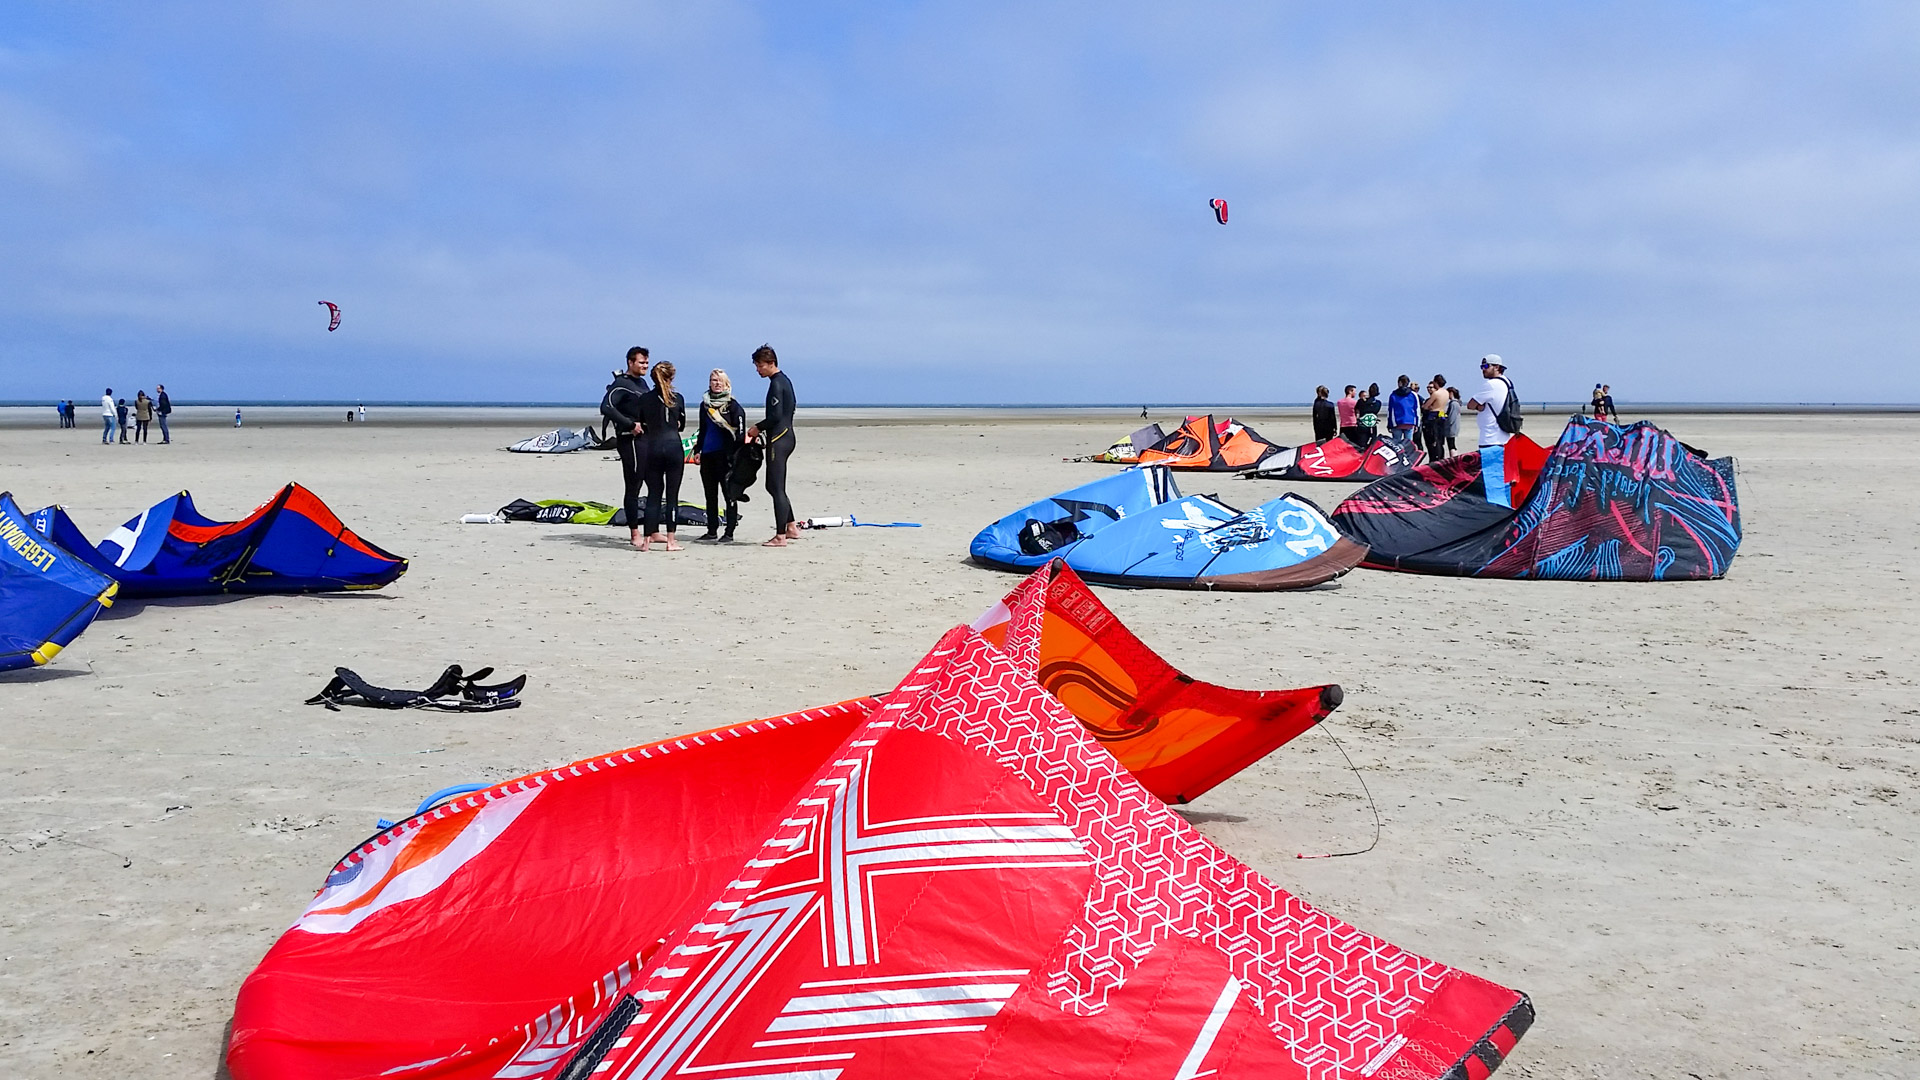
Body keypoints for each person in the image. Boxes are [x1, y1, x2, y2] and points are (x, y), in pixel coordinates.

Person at [600, 346, 652, 551]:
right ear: (630, 363)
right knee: (634, 484)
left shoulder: (643, 383)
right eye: (641, 363)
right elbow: (606, 407)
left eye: (647, 363)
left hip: (645, 440)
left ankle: (652, 530)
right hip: (628, 440)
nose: (645, 366)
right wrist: (630, 424)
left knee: (654, 482)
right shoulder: (621, 383)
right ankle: (634, 532)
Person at [745, 344, 797, 547]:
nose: (758, 370)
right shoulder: (784, 381)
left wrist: (757, 428)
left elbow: (775, 416)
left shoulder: (777, 383)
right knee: (772, 486)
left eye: (760, 366)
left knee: (776, 487)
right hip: (786, 436)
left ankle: (780, 536)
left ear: (770, 363)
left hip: (779, 439)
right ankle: (791, 526)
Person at [637, 361, 687, 552]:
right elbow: (680, 425)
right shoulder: (678, 398)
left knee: (653, 495)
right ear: (671, 377)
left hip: (654, 447)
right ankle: (671, 541)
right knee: (672, 496)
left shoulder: (645, 399)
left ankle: (647, 540)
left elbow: (642, 422)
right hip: (673, 446)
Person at [694, 368, 747, 542]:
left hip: (726, 457)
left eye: (719, 381)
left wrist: (736, 458)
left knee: (728, 495)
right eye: (713, 380)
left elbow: (740, 435)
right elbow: (703, 430)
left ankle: (729, 532)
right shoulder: (705, 405)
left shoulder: (733, 406)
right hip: (708, 456)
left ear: (726, 384)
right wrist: (697, 450)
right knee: (710, 495)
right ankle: (711, 530)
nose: (716, 383)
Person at [1466, 355, 1513, 447]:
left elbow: (1470, 405)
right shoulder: (1507, 382)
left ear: (1496, 367)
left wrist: (1479, 406)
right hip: (1503, 438)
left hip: (1490, 438)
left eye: (1486, 366)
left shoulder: (1491, 385)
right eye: (1482, 367)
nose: (1483, 369)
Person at [1387, 375, 1421, 453]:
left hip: (1397, 422)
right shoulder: (1413, 395)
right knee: (1408, 444)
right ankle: (1408, 459)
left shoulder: (1393, 395)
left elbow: (1391, 411)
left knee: (1396, 444)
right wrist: (1417, 424)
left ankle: (1398, 460)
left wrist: (1390, 424)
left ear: (1399, 383)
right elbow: (1417, 409)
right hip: (1410, 421)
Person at [1422, 375, 1450, 460]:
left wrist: (1427, 406)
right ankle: (1440, 457)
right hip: (1441, 414)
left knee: (1432, 440)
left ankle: (1434, 458)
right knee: (1440, 440)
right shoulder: (1446, 392)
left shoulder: (1436, 393)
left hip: (1433, 415)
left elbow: (1425, 406)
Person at [1445, 386, 1462, 452]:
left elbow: (1451, 417)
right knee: (1452, 444)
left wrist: (1445, 422)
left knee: (1451, 445)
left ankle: (1453, 457)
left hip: (1451, 428)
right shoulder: (1456, 403)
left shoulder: (1454, 404)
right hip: (1453, 427)